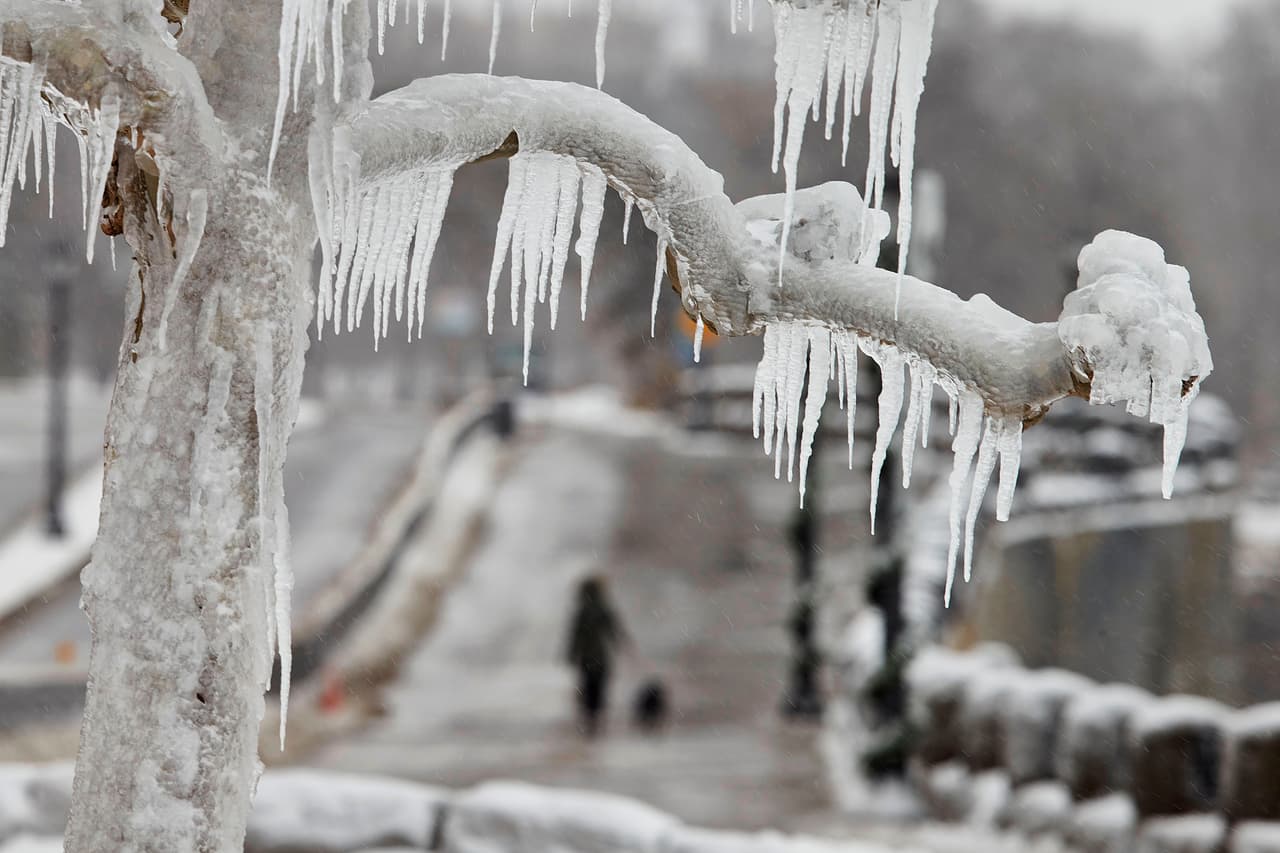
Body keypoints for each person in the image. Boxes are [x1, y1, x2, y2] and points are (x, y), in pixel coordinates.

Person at [564, 575, 628, 736]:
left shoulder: (582, 611)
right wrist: (623, 644)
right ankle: (597, 720)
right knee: (599, 689)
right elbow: (615, 631)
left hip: (586, 657)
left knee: (587, 687)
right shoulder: (603, 609)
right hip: (600, 657)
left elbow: (575, 636)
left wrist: (571, 654)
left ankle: (590, 719)